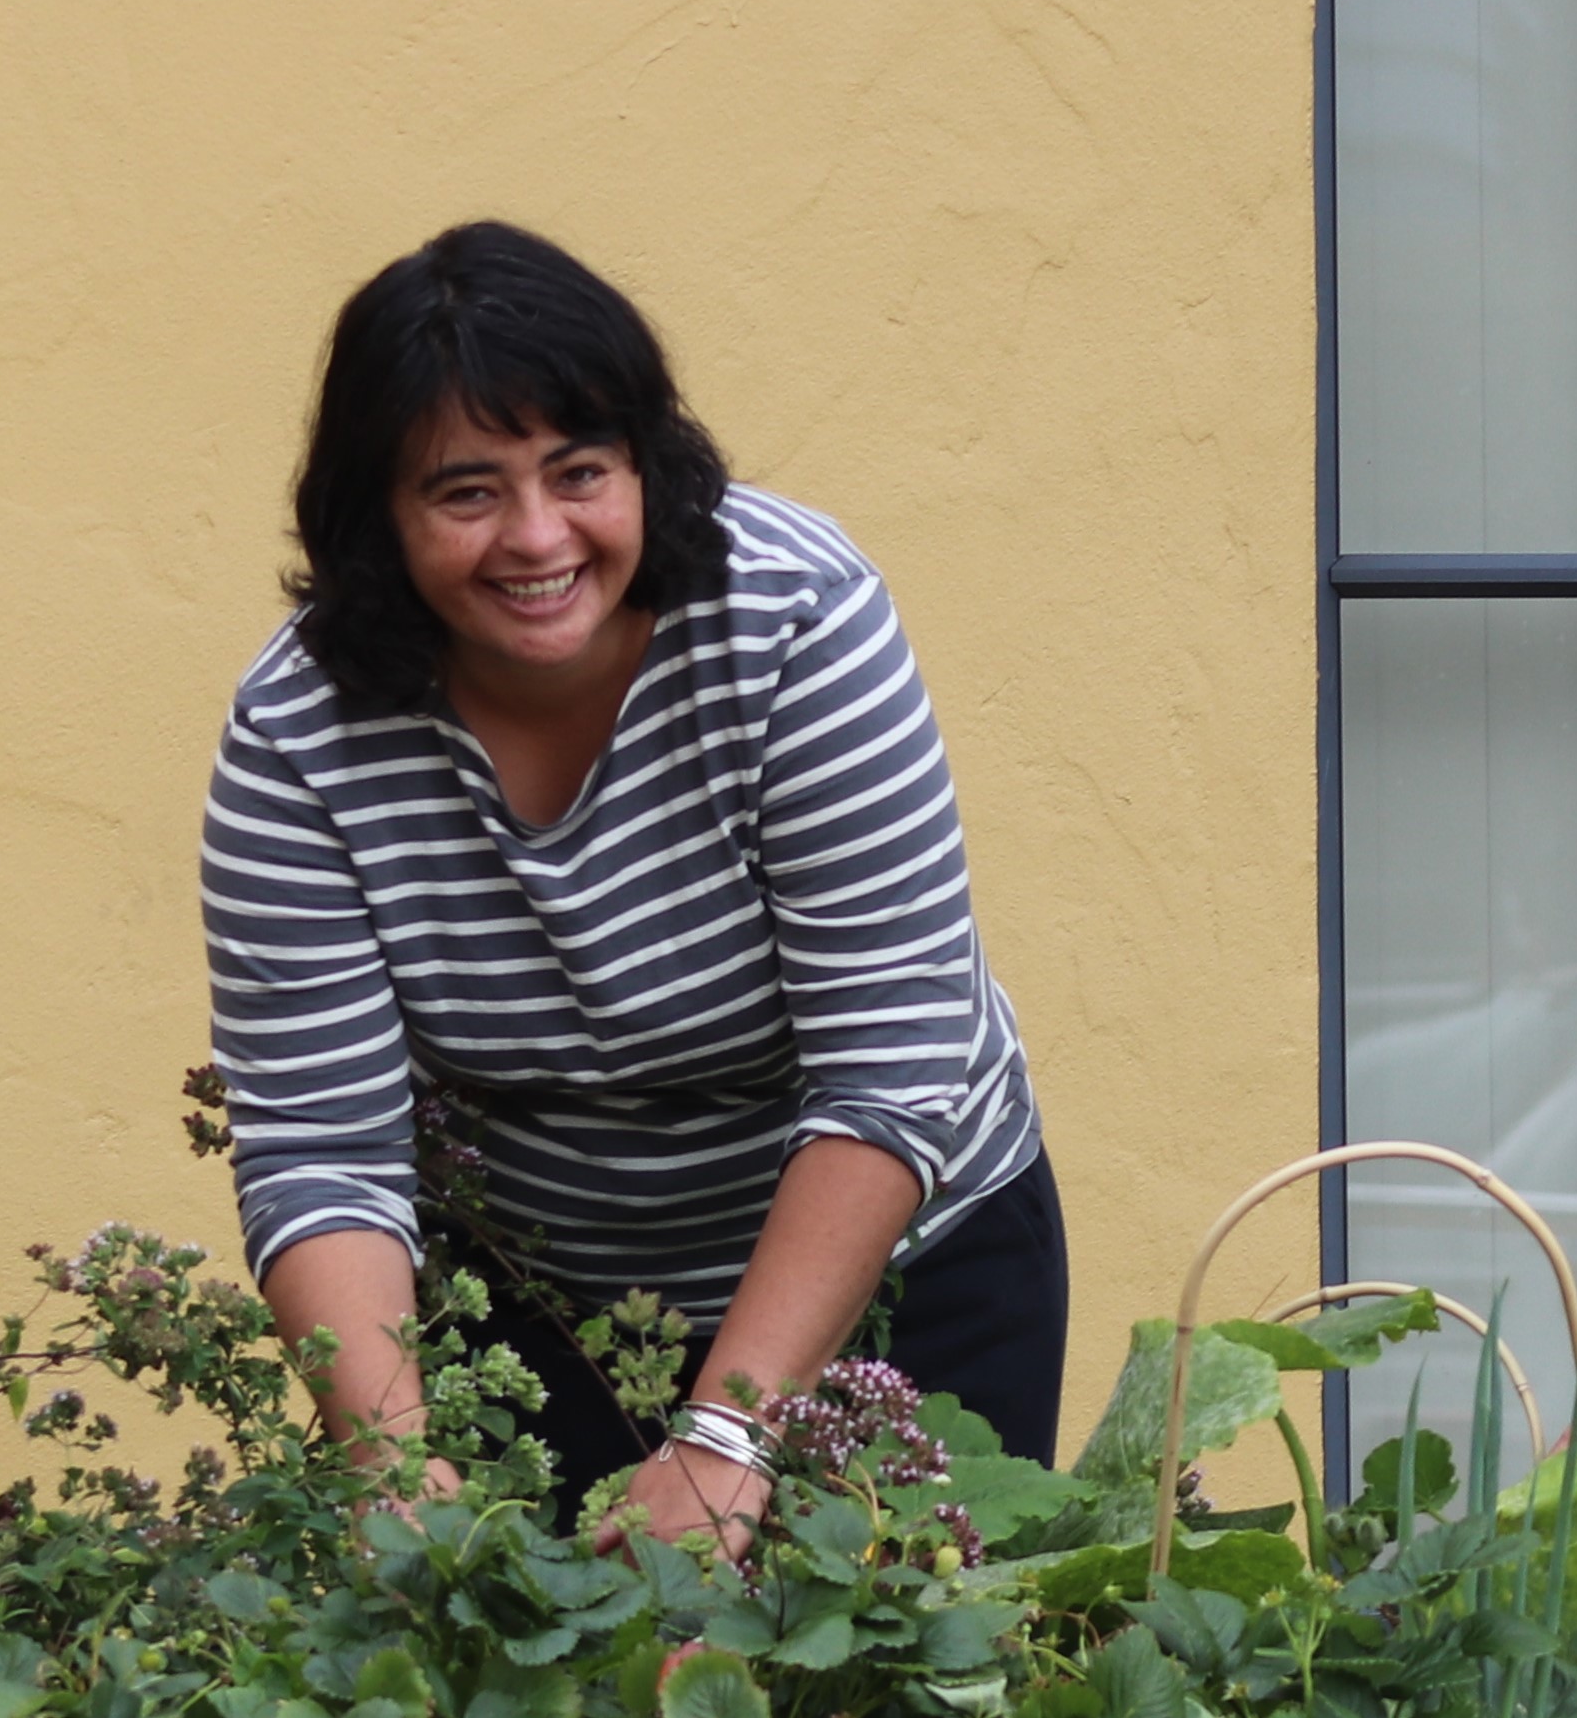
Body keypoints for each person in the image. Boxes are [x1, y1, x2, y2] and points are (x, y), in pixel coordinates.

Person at [196, 220, 1062, 1549]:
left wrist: (726, 1432)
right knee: (557, 1715)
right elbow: (323, 1154)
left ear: (647, 465)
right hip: (540, 1300)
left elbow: (890, 1068)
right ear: (379, 514)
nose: (537, 537)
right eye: (465, 491)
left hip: (898, 1269)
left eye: (578, 471)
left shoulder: (794, 621)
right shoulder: (297, 734)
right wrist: (393, 1479)